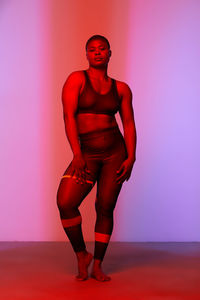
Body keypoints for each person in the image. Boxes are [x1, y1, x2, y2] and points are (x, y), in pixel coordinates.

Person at [56, 35, 137, 282]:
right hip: (87, 153)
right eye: (92, 50)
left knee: (104, 207)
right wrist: (77, 153)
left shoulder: (121, 88)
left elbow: (129, 124)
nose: (98, 53)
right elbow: (68, 117)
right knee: (65, 201)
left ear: (110, 53)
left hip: (115, 153)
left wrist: (131, 157)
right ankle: (82, 254)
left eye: (102, 49)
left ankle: (98, 264)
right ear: (87, 55)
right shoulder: (76, 79)